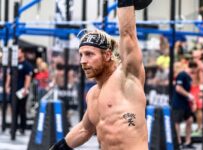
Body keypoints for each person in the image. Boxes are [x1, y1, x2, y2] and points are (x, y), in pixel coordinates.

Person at [50, 1, 151, 150]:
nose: (83, 61)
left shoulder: (127, 77)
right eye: (81, 55)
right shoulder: (92, 95)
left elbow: (127, 34)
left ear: (107, 55)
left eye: (89, 54)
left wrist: (125, 3)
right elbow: (84, 129)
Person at [5, 48, 33, 134]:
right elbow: (9, 76)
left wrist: (25, 88)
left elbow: (28, 78)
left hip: (21, 91)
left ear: (22, 53)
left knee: (21, 109)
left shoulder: (27, 65)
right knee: (14, 109)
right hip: (13, 90)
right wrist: (7, 87)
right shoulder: (14, 64)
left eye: (18, 52)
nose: (17, 54)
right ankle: (14, 126)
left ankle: (22, 127)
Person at [172, 60, 198, 149]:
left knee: (190, 120)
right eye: (195, 70)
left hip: (186, 102)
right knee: (177, 122)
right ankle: (178, 142)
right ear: (193, 68)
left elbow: (188, 90)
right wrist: (189, 95)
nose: (195, 72)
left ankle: (188, 141)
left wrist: (192, 101)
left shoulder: (189, 78)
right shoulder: (182, 75)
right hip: (178, 102)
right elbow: (178, 88)